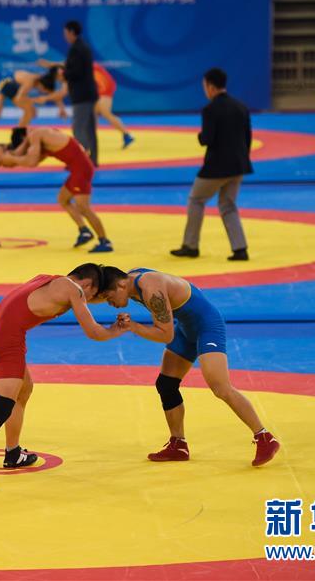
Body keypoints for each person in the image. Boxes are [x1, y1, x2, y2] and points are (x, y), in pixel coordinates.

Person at [0, 263, 128, 489]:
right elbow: (93, 332)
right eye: (92, 295)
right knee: (0, 408)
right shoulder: (73, 289)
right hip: (8, 342)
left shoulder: (48, 279)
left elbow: (77, 300)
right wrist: (117, 329)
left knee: (24, 390)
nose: (88, 300)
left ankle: (13, 453)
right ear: (87, 284)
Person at [99, 265, 279, 466]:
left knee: (221, 388)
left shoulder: (150, 288)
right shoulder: (129, 280)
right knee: (166, 384)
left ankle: (265, 437)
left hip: (207, 327)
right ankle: (178, 444)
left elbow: (165, 334)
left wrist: (133, 327)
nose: (109, 304)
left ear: (121, 285)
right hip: (186, 328)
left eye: (108, 297)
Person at [171, 68, 252, 261]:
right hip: (239, 165)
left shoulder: (210, 109)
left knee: (196, 200)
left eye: (205, 86)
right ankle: (240, 248)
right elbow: (247, 138)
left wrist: (199, 136)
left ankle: (190, 245)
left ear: (211, 86)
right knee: (228, 205)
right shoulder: (240, 106)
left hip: (216, 167)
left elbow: (207, 138)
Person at [10, 126, 113, 253]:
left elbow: (30, 161)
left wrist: (10, 156)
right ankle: (84, 231)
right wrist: (13, 157)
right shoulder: (45, 136)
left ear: (23, 138)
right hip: (79, 169)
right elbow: (34, 162)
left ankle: (105, 241)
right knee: (63, 199)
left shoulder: (36, 134)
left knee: (84, 208)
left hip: (80, 170)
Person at [35, 60, 135, 149]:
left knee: (105, 112)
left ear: (59, 73)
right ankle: (90, 141)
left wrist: (49, 64)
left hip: (103, 84)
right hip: (96, 87)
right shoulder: (68, 75)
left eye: (58, 78)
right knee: (91, 115)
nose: (59, 80)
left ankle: (126, 134)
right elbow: (62, 92)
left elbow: (62, 90)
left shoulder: (71, 67)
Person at [0, 67, 62, 144]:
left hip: (14, 86)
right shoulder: (30, 81)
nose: (42, 93)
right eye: (44, 91)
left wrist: (61, 108)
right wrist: (33, 102)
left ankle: (19, 136)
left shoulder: (42, 79)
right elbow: (20, 98)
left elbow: (53, 94)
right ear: (43, 86)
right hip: (5, 84)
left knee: (30, 112)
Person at [61, 20, 99, 166]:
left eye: (65, 33)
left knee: (79, 129)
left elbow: (75, 72)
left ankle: (80, 162)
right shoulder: (84, 47)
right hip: (89, 93)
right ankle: (92, 160)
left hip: (81, 95)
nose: (65, 36)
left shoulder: (76, 49)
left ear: (71, 32)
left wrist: (64, 73)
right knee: (89, 129)